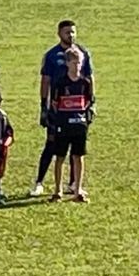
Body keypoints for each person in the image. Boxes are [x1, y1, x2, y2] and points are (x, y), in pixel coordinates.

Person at [34, 19, 94, 197]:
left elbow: (89, 78)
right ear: (59, 33)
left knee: (77, 148)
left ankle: (74, 184)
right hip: (58, 108)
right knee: (52, 145)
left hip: (78, 108)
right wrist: (44, 106)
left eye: (73, 32)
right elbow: (45, 80)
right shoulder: (51, 55)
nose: (71, 35)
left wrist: (92, 104)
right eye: (68, 32)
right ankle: (39, 182)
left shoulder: (83, 53)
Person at [48, 48, 94, 203]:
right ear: (67, 63)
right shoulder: (61, 83)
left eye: (79, 62)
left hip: (79, 126)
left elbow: (88, 101)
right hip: (63, 125)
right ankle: (58, 190)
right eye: (74, 63)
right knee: (60, 157)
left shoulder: (85, 83)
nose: (77, 66)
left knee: (78, 156)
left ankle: (78, 189)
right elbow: (55, 103)